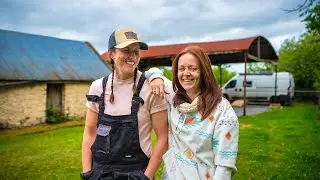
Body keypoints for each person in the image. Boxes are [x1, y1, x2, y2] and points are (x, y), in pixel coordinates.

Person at [81, 27, 168, 180]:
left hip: (137, 173)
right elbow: (89, 133)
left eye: (136, 52)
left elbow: (162, 137)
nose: (132, 57)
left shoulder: (151, 88)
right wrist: (88, 172)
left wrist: (147, 176)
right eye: (126, 50)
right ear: (111, 54)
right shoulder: (97, 87)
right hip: (100, 172)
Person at [147, 45, 239, 180]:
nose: (186, 73)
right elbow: (151, 71)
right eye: (181, 68)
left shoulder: (222, 110)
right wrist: (156, 77)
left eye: (193, 68)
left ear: (204, 71)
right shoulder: (173, 96)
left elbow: (225, 166)